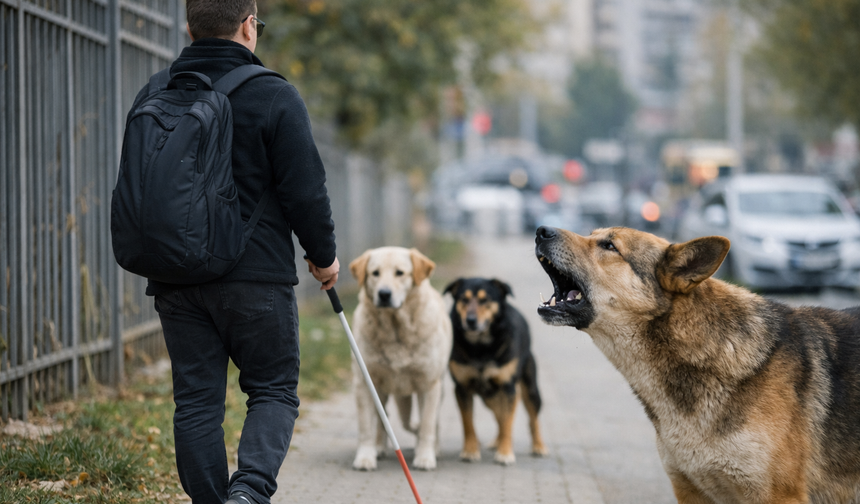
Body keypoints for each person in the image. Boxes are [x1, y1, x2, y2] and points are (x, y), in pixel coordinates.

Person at [132, 0, 339, 502]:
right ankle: (248, 492)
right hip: (256, 276)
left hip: (176, 276)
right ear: (249, 25)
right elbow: (305, 190)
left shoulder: (156, 92)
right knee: (271, 389)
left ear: (189, 27)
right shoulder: (273, 94)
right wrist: (323, 256)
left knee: (197, 402)